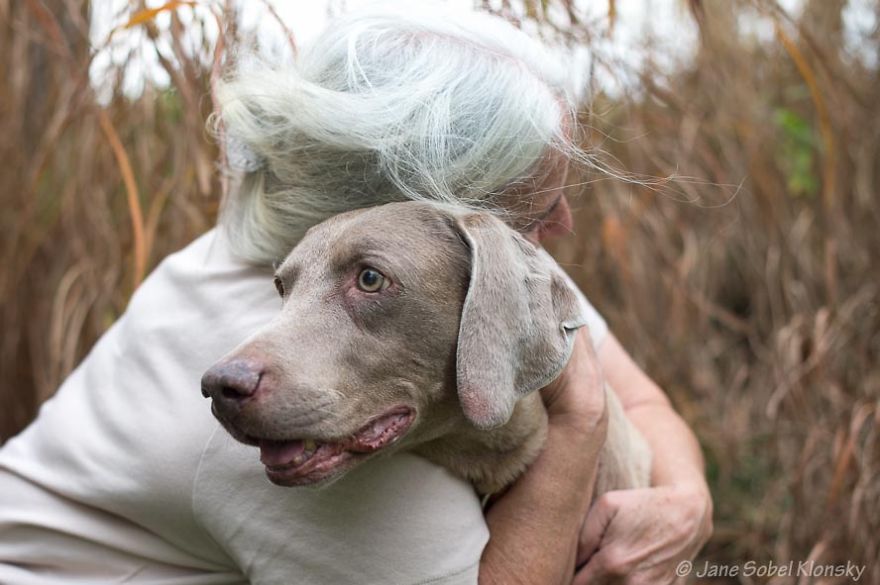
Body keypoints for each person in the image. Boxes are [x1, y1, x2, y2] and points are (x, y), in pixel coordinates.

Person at [0, 4, 712, 584]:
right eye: (534, 200)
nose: (561, 224)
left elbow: (646, 402)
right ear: (412, 194)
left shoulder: (448, 255)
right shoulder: (280, 391)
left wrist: (686, 501)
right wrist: (581, 418)